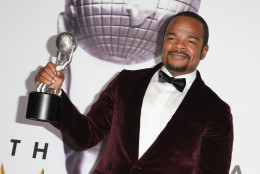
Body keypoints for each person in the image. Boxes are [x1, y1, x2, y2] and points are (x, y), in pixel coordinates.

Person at [35, 11, 233, 174]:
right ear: (163, 42)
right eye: (172, 37)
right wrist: (53, 94)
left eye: (190, 41)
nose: (179, 45)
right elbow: (86, 135)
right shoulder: (126, 82)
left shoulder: (216, 111)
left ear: (204, 51)